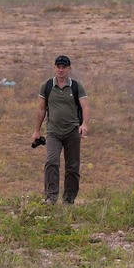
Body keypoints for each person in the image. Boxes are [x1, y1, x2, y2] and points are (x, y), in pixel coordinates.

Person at [32, 55, 90, 204]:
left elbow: (85, 106)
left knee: (72, 166)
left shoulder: (77, 86)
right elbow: (40, 109)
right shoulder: (47, 86)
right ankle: (51, 197)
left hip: (72, 131)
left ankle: (69, 200)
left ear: (69, 69)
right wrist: (37, 131)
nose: (61, 70)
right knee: (52, 162)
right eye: (58, 66)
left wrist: (84, 124)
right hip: (53, 132)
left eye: (64, 67)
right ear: (54, 68)